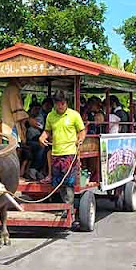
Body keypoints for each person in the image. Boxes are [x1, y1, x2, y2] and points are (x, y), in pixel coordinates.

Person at [38, 91, 86, 223]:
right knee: (59, 183)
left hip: (70, 153)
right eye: (58, 103)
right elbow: (47, 131)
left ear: (66, 103)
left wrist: (80, 139)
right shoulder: (50, 116)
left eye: (63, 103)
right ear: (54, 104)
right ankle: (65, 206)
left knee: (69, 183)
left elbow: (82, 131)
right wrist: (42, 137)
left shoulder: (74, 115)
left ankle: (68, 209)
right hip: (56, 153)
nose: (60, 106)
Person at [1, 78, 30, 145]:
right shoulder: (13, 89)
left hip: (8, 125)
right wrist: (29, 119)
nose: (25, 83)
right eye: (26, 80)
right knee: (13, 151)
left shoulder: (9, 88)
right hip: (11, 126)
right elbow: (17, 111)